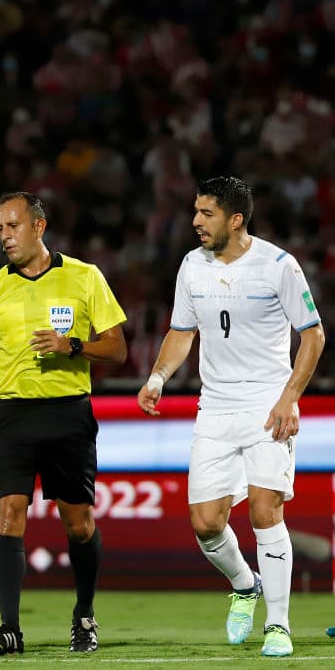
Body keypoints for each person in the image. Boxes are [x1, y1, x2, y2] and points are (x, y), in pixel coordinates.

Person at [137, 176, 325, 658]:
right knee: (205, 522)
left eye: (206, 214)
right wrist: (158, 377)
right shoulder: (191, 267)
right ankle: (245, 585)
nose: (196, 222)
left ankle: (277, 626)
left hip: (267, 404)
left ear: (235, 219)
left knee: (266, 509)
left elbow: (314, 336)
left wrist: (289, 398)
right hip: (215, 407)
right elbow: (182, 332)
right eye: (196, 212)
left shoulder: (278, 266)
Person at [0, 192, 127, 656]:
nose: (5, 237)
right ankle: (9, 628)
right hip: (11, 417)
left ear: (39, 226)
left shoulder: (84, 277)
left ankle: (84, 614)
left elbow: (116, 348)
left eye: (13, 226)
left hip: (68, 413)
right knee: (9, 511)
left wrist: (72, 345)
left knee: (77, 524)